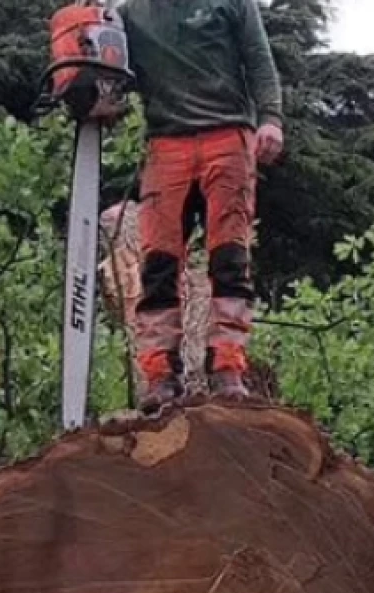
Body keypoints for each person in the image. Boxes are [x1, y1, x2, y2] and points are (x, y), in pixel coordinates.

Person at [117, 0, 284, 407]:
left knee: (230, 256)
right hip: (166, 140)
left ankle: (227, 364)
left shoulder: (231, 4)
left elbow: (259, 60)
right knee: (157, 263)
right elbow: (110, 72)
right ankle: (159, 373)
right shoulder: (129, 16)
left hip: (228, 135)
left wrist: (271, 118)